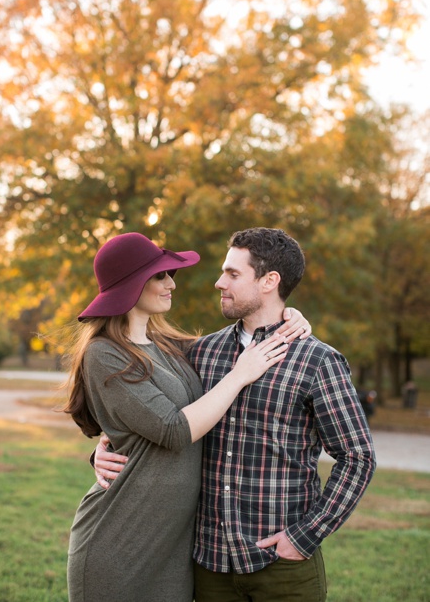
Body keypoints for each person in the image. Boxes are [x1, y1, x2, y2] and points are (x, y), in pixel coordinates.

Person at [93, 228, 376, 601]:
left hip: (283, 566)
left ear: (269, 281)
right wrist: (104, 450)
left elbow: (358, 457)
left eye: (232, 274)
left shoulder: (317, 360)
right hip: (209, 567)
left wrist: (305, 536)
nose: (218, 282)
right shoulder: (199, 353)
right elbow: (153, 416)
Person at [64, 232, 291, 602]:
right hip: (117, 541)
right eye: (160, 276)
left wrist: (288, 314)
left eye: (171, 275)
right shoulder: (103, 354)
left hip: (173, 552)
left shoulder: (171, 346)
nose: (171, 283)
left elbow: (247, 330)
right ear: (131, 285)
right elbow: (172, 428)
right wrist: (240, 374)